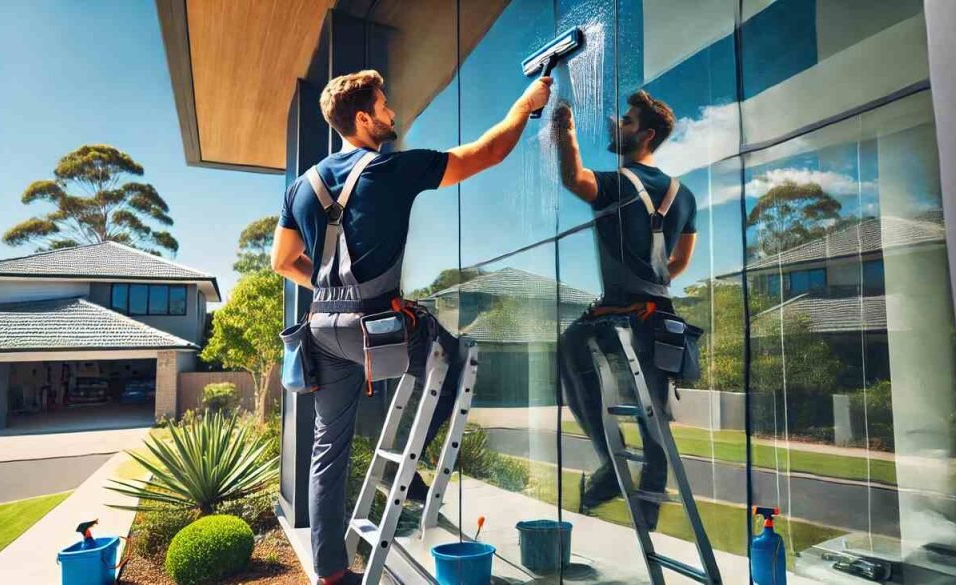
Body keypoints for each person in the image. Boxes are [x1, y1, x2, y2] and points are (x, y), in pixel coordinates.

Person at [271, 69, 551, 585]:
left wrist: (336, 294)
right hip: (376, 327)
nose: (392, 113)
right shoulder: (391, 171)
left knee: (328, 446)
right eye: (384, 105)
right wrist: (526, 106)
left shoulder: (300, 189)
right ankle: (413, 469)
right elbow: (486, 153)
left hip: (321, 330)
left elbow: (284, 261)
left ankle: (331, 573)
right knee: (459, 359)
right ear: (362, 118)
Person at [553, 90, 697, 529]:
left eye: (628, 122)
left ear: (647, 135)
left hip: (620, 312)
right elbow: (680, 262)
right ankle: (650, 506)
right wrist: (652, 285)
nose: (618, 124)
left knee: (569, 349)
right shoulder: (682, 194)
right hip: (660, 316)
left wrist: (564, 131)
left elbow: (574, 179)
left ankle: (610, 465)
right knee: (654, 411)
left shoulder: (618, 182)